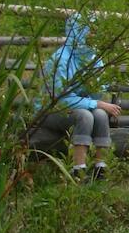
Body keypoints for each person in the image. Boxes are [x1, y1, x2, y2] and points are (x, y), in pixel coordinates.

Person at [33, 13, 121, 181]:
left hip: (77, 108)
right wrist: (95, 102)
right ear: (79, 31)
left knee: (101, 114)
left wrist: (95, 84)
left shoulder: (93, 58)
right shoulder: (61, 59)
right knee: (85, 115)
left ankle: (100, 168)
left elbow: (98, 92)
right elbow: (59, 99)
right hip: (51, 111)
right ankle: (78, 171)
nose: (94, 35)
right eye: (91, 31)